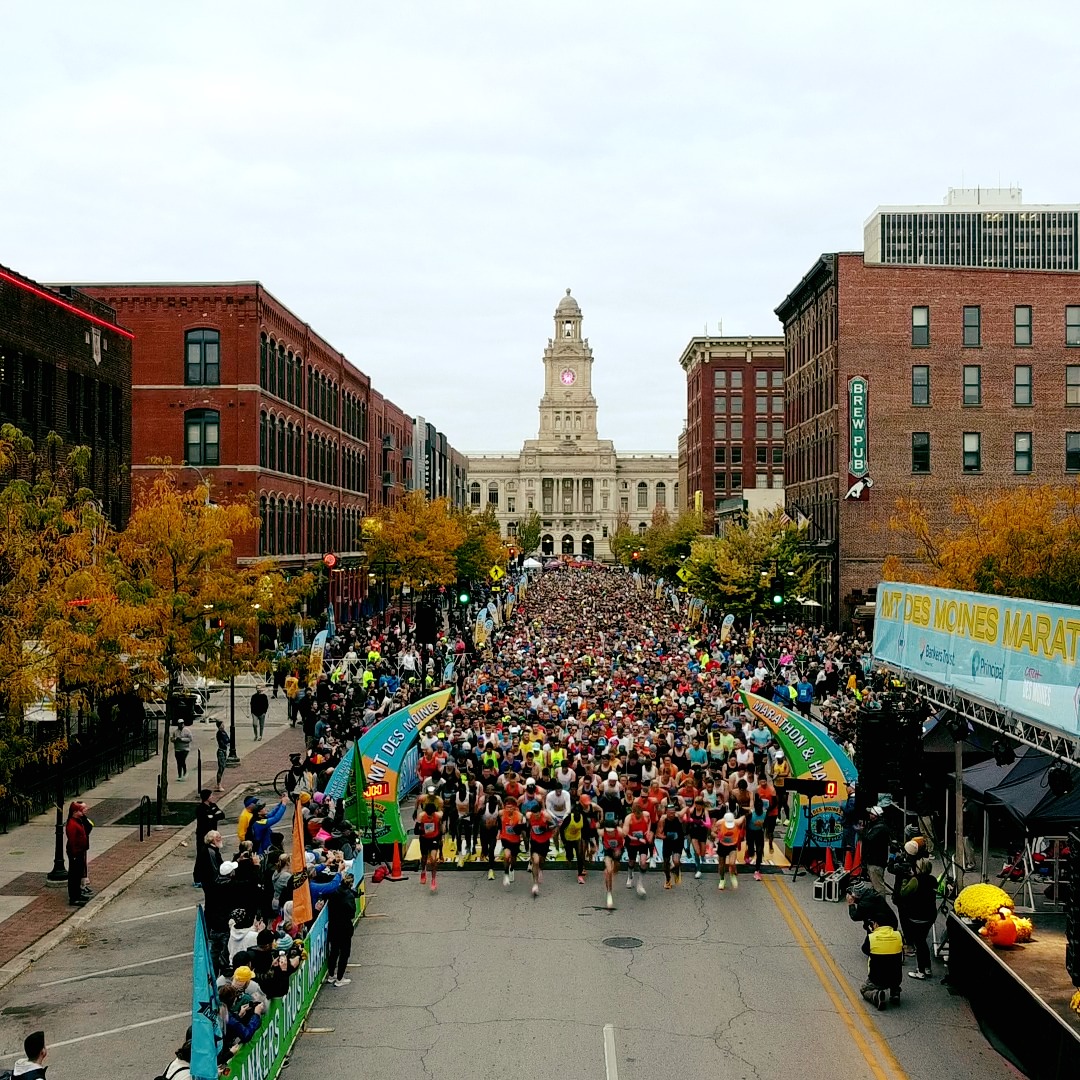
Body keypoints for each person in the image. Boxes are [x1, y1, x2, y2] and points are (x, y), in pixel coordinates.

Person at [896, 857, 937, 980]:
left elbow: (903, 892)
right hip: (930, 915)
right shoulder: (933, 880)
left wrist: (904, 880)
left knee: (919, 943)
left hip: (917, 915)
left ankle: (920, 970)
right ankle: (928, 967)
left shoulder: (915, 880)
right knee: (922, 941)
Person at [860, 914, 904, 1010]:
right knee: (893, 964)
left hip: (877, 979)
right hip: (896, 978)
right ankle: (895, 992)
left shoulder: (872, 938)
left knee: (864, 989)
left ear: (876, 924)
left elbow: (865, 950)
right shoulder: (898, 935)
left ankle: (876, 995)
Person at [321, 873, 357, 987]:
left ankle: (331, 975)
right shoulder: (349, 897)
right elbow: (352, 913)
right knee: (344, 953)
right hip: (345, 927)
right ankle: (340, 978)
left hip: (333, 925)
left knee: (334, 951)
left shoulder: (333, 892)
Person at [194, 789, 226, 887]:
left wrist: (213, 816)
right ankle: (197, 879)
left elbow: (221, 815)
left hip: (213, 836)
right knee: (201, 856)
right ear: (207, 797)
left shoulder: (213, 806)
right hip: (203, 836)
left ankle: (218, 874)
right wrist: (213, 815)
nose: (213, 797)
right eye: (211, 796)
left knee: (215, 854)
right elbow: (206, 819)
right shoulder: (200, 809)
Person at [622, 799, 653, 897]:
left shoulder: (646, 815)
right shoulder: (628, 819)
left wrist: (648, 831)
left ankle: (640, 883)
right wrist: (638, 839)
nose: (639, 816)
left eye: (640, 814)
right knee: (632, 861)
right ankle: (630, 876)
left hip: (643, 842)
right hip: (632, 842)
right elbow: (625, 834)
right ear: (633, 812)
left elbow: (650, 822)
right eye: (637, 815)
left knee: (643, 862)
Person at [416, 787, 444, 893]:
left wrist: (441, 848)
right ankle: (423, 871)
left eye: (432, 815)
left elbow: (441, 828)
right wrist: (423, 832)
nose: (430, 816)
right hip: (424, 839)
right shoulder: (422, 816)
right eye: (429, 815)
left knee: (433, 859)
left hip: (434, 838)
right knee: (424, 858)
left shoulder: (438, 815)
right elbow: (415, 831)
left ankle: (433, 880)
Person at [64, 800, 92, 906]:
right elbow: (72, 841)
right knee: (74, 876)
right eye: (81, 810)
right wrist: (75, 854)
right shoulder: (72, 824)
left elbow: (88, 827)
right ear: (75, 811)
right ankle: (74, 897)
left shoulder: (79, 820)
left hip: (80, 851)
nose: (84, 811)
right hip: (76, 852)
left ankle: (78, 894)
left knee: (78, 873)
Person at [526, 802, 557, 897]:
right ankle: (535, 884)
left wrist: (546, 828)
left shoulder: (546, 816)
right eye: (534, 815)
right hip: (535, 841)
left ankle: (541, 869)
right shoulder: (529, 815)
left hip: (544, 841)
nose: (536, 817)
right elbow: (528, 825)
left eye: (538, 815)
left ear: (541, 812)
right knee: (535, 861)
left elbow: (554, 825)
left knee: (541, 861)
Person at [863, 805, 891, 898]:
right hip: (875, 860)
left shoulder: (879, 828)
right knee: (876, 885)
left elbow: (868, 838)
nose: (869, 815)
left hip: (875, 861)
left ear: (876, 816)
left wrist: (862, 831)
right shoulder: (877, 825)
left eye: (871, 813)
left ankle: (881, 907)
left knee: (878, 887)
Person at [713, 809, 744, 891]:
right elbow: (712, 832)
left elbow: (744, 817)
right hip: (722, 846)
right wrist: (717, 836)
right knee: (721, 866)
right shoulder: (719, 823)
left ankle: (732, 875)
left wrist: (743, 831)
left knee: (732, 863)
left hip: (732, 846)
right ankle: (722, 879)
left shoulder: (737, 822)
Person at [498, 796, 526, 887]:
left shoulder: (519, 816)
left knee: (513, 859)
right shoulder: (501, 813)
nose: (509, 809)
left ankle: (512, 869)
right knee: (506, 855)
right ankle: (506, 874)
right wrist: (498, 832)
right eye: (507, 807)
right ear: (504, 807)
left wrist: (519, 827)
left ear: (514, 807)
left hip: (515, 840)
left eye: (511, 807)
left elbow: (520, 830)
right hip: (505, 839)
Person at [656, 802, 684, 888]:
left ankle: (676, 869)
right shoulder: (663, 820)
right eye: (670, 813)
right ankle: (668, 879)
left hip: (678, 842)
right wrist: (666, 837)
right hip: (668, 841)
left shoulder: (678, 817)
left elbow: (686, 809)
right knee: (666, 862)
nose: (672, 814)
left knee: (676, 861)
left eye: (673, 812)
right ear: (666, 812)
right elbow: (658, 834)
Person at [215, 719, 230, 790]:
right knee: (221, 767)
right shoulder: (219, 733)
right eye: (222, 725)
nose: (223, 726)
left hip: (224, 751)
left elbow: (228, 739)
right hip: (221, 751)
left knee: (223, 767)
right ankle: (218, 784)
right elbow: (222, 742)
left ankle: (219, 783)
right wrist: (226, 744)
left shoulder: (224, 732)